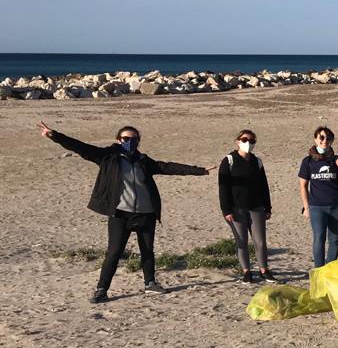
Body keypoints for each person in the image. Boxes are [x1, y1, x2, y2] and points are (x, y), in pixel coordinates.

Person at [37, 120, 212, 302]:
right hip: (120, 214)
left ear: (139, 141)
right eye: (126, 138)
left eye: (134, 138)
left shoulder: (143, 160)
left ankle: (150, 283)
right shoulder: (107, 157)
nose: (130, 141)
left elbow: (167, 167)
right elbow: (81, 147)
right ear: (118, 140)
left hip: (146, 213)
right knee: (113, 252)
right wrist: (54, 135)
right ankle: (101, 290)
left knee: (147, 250)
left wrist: (200, 171)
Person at [219, 129, 276, 283]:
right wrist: (226, 210)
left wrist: (268, 208)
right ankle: (246, 272)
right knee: (241, 241)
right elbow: (223, 187)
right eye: (244, 140)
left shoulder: (257, 162)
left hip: (256, 207)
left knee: (260, 241)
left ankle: (264, 270)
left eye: (252, 141)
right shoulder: (228, 160)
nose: (248, 143)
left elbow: (264, 186)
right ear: (237, 141)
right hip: (236, 209)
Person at [298, 126, 338, 268]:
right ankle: (319, 270)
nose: (324, 140)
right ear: (315, 139)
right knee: (319, 238)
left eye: (328, 138)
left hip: (337, 205)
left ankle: (330, 269)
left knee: (334, 239)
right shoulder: (308, 161)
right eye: (321, 137)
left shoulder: (334, 159)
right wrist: (306, 207)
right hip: (317, 207)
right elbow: (303, 185)